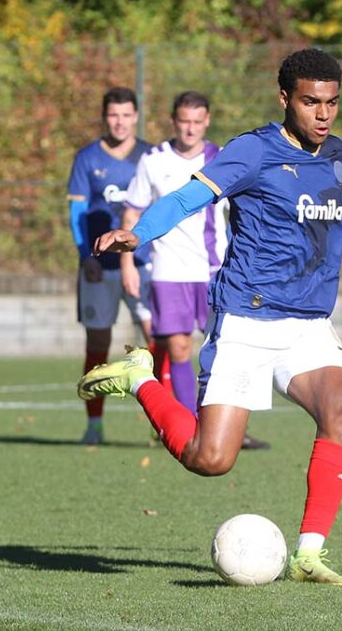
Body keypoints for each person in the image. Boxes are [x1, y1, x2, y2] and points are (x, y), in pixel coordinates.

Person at [78, 49, 342, 584]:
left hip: (307, 325)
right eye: (311, 102)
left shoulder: (340, 159)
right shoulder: (252, 152)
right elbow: (189, 198)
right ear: (285, 98)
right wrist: (139, 234)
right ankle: (141, 378)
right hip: (246, 321)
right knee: (210, 459)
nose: (323, 114)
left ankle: (308, 553)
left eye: (332, 103)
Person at [121, 91, 270, 451]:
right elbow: (131, 213)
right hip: (168, 270)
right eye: (184, 121)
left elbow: (247, 212)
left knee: (227, 348)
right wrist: (127, 262)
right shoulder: (152, 161)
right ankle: (189, 427)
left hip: (214, 269)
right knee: (180, 346)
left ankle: (231, 427)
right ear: (173, 121)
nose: (190, 129)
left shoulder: (220, 159)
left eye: (197, 122)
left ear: (207, 122)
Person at [66, 87, 155, 445]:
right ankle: (94, 424)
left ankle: (160, 425)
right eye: (113, 115)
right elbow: (77, 212)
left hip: (144, 265)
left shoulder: (149, 156)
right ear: (105, 117)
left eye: (126, 115)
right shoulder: (87, 158)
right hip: (99, 269)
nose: (119, 121)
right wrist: (86, 255)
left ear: (136, 117)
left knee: (158, 342)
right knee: (98, 343)